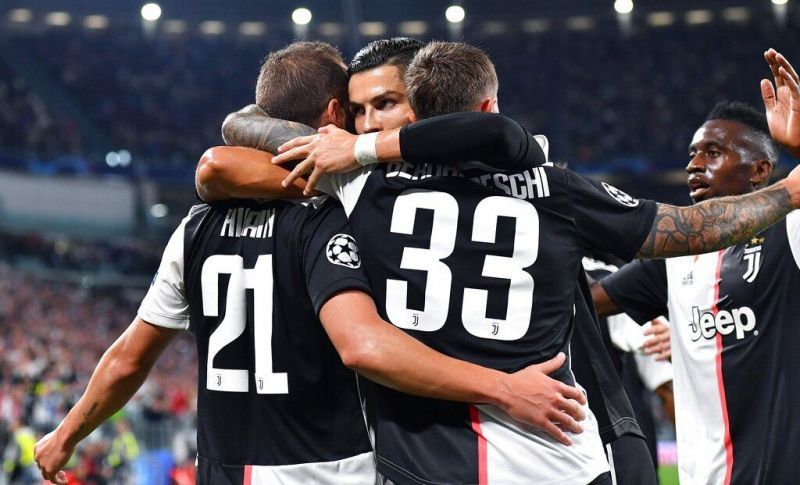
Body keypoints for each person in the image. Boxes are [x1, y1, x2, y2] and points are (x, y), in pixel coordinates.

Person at [200, 41, 800, 484]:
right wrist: (792, 190)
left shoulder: (362, 190)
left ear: (413, 114)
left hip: (427, 461)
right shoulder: (554, 188)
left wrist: (350, 147)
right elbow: (695, 228)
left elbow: (234, 134)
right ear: (487, 105)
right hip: (558, 456)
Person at [32, 42, 588, 485]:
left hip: (223, 467)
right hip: (330, 465)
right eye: (351, 111)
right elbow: (365, 345)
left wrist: (65, 437)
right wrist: (501, 386)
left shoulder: (194, 228)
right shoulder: (338, 216)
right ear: (329, 115)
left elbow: (129, 358)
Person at [591, 49, 800, 485]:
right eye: (691, 153)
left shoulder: (790, 230)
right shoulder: (676, 256)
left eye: (713, 151)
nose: (694, 164)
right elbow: (590, 302)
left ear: (760, 170)